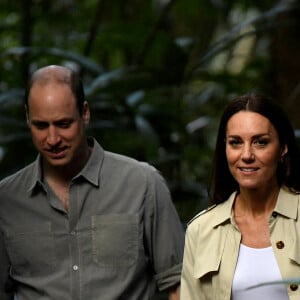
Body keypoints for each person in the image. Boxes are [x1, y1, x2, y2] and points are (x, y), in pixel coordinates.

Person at [0, 65, 184, 300]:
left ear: (85, 113)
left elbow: (178, 285)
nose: (53, 139)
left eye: (64, 124)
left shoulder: (143, 185)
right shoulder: (6, 199)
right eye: (41, 126)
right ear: (27, 117)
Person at [180, 93, 300, 300]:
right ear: (224, 148)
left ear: (283, 148)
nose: (246, 155)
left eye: (260, 142)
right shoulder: (201, 230)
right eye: (235, 142)